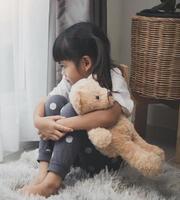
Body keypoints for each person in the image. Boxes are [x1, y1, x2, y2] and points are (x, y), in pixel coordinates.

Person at [19, 22, 134, 197]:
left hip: (106, 158)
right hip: (77, 157)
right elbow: (45, 101)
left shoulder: (112, 77)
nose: (63, 72)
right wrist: (40, 121)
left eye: (64, 66)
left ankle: (52, 183)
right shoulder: (69, 81)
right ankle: (44, 173)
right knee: (54, 102)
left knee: (69, 110)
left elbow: (111, 115)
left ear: (86, 63)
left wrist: (64, 123)